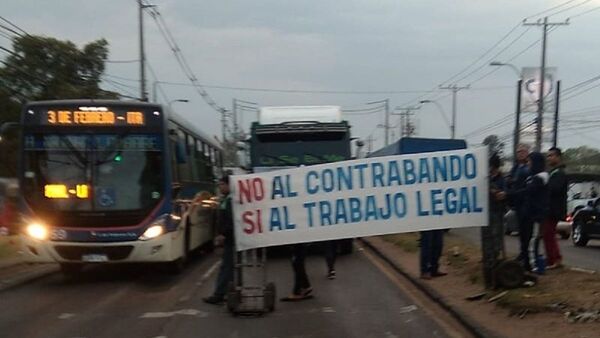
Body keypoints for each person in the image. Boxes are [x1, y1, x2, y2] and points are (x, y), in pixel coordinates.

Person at [502, 152, 549, 271]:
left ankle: (533, 267)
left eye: (529, 162)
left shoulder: (541, 177)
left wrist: (507, 194)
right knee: (524, 240)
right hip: (527, 212)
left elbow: (527, 191)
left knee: (532, 242)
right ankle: (526, 263)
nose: (527, 164)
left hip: (536, 215)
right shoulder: (531, 177)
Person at [203, 175, 234, 305]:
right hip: (229, 238)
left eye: (222, 184)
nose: (220, 187)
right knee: (230, 266)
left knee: (226, 266)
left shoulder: (231, 200)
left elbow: (230, 220)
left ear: (229, 185)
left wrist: (223, 234)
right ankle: (229, 292)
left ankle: (219, 294)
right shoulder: (226, 199)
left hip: (230, 238)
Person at [544, 147, 567, 269]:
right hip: (549, 208)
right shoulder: (552, 172)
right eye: (548, 156)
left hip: (553, 209)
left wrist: (545, 186)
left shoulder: (559, 173)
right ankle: (554, 258)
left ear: (558, 157)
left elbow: (555, 190)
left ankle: (554, 260)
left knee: (549, 234)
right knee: (548, 234)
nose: (549, 158)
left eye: (551, 155)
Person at [506, 144, 530, 235]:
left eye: (522, 152)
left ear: (527, 153)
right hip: (515, 201)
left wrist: (514, 181)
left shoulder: (529, 166)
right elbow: (509, 178)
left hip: (525, 201)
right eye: (518, 152)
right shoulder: (515, 167)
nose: (520, 154)